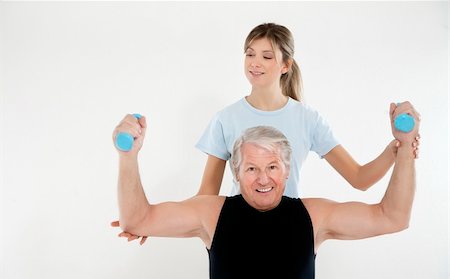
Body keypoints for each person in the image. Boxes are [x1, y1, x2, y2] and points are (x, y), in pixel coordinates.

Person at [116, 22, 420, 245]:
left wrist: (395, 149)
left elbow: (360, 178)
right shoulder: (226, 118)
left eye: (266, 56)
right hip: (239, 228)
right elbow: (206, 195)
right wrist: (152, 223)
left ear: (285, 65)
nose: (255, 63)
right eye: (250, 54)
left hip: (292, 229)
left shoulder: (308, 118)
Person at [111, 103, 420, 279]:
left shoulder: (313, 216)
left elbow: (392, 217)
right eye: (251, 169)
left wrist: (405, 147)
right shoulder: (212, 213)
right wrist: (128, 156)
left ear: (287, 171)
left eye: (272, 167)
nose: (262, 178)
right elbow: (137, 219)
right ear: (236, 171)